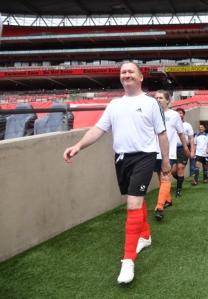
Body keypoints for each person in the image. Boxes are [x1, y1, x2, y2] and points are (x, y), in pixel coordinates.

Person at [63, 61, 170, 284]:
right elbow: (98, 129)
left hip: (144, 156)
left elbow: (161, 134)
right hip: (122, 158)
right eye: (123, 72)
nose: (126, 74)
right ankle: (146, 235)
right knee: (136, 200)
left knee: (132, 203)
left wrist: (165, 163)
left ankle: (128, 261)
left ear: (141, 77)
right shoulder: (113, 105)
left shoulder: (151, 103)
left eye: (131, 71)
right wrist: (78, 146)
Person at [153, 90, 189, 221]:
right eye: (156, 98)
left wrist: (185, 147)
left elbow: (181, 133)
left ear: (168, 100)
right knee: (160, 178)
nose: (157, 100)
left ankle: (159, 207)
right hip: (154, 152)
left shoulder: (174, 115)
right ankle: (168, 199)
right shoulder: (150, 114)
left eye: (160, 98)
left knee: (165, 177)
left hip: (169, 153)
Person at [174, 108, 195, 197]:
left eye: (181, 113)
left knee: (180, 167)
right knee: (173, 171)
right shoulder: (172, 124)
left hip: (183, 148)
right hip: (172, 149)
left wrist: (192, 151)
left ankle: (179, 190)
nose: (179, 114)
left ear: (183, 114)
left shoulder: (187, 125)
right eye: (177, 113)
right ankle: (180, 179)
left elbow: (191, 139)